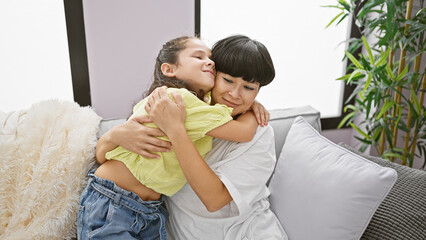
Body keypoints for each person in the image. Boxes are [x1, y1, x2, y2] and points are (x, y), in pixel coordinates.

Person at [95, 35, 288, 239]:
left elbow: (214, 200)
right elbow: (104, 157)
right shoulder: (175, 105)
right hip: (125, 208)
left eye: (249, 88)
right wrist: (114, 135)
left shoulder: (259, 133)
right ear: (212, 75)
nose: (235, 94)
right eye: (227, 80)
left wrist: (175, 130)